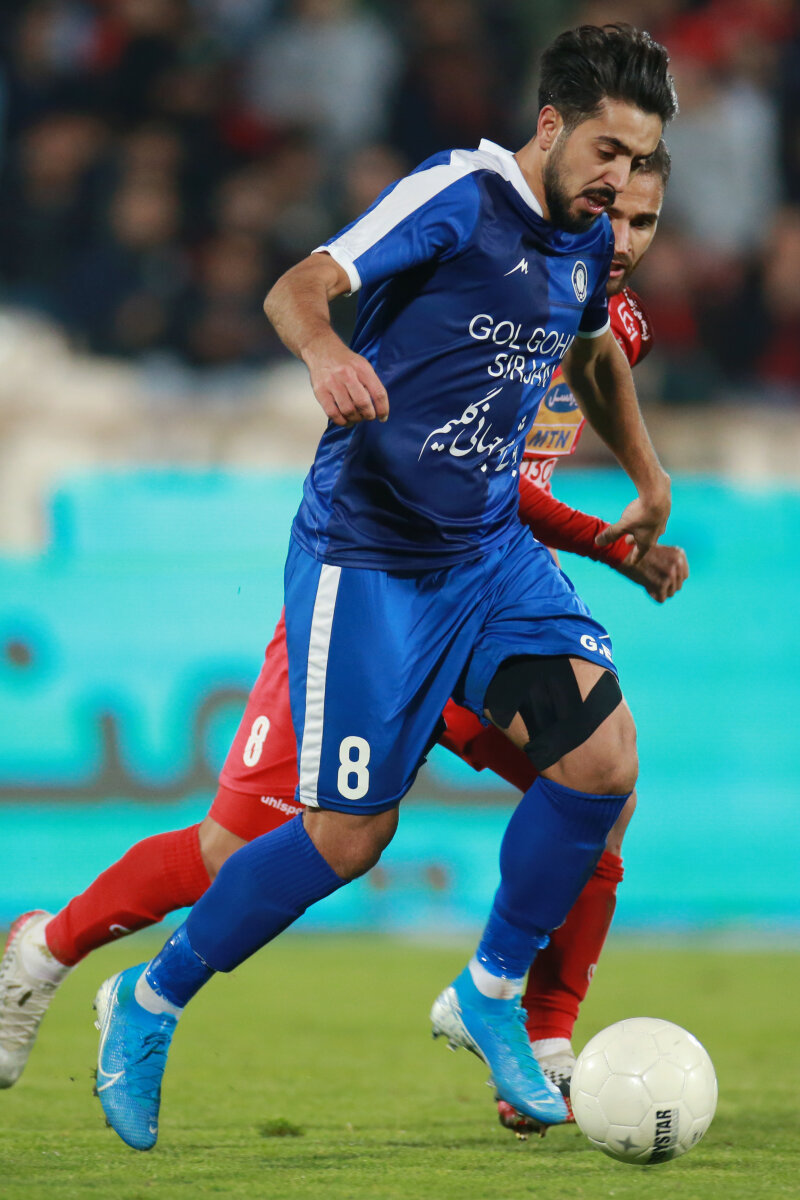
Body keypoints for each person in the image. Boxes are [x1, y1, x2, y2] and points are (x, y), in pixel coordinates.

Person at [24, 23, 682, 1150]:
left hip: (486, 558)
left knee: (603, 765)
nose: (619, 190)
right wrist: (328, 352)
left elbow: (590, 350)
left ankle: (498, 997)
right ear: (550, 126)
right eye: (607, 155)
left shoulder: (582, 241)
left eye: (641, 170)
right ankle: (147, 996)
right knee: (342, 838)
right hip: (368, 561)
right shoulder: (457, 195)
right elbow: (300, 286)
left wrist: (648, 478)